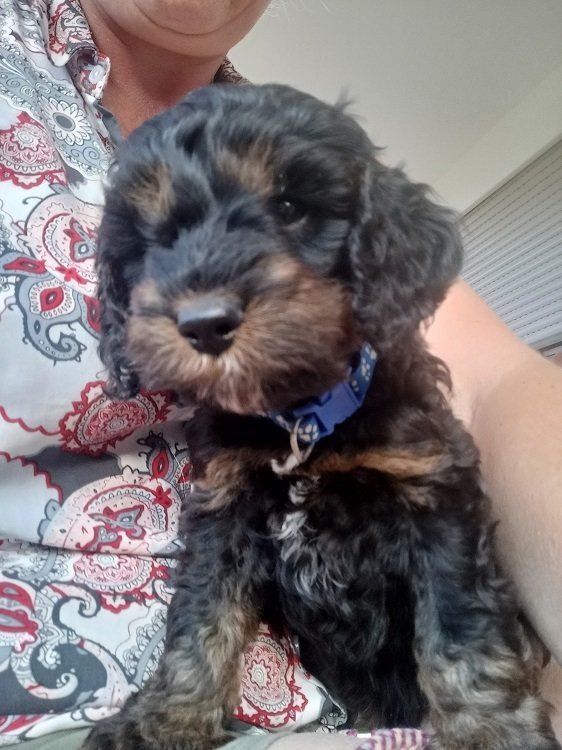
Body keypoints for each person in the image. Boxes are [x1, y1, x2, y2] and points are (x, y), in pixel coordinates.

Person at [0, 1, 559, 748]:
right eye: (162, 235)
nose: (204, 288)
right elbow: (221, 570)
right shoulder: (227, 436)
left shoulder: (400, 412)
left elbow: (485, 435)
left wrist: (488, 702)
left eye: (288, 209)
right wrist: (180, 707)